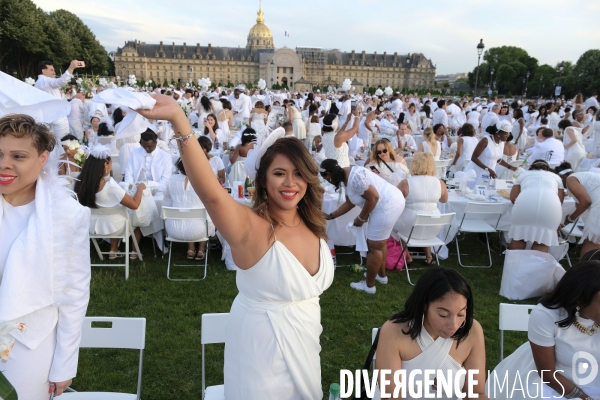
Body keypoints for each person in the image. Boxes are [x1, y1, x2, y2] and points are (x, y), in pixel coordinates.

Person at [136, 94, 334, 399]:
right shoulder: (250, 227)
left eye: (298, 173)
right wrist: (179, 120)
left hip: (308, 346)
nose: (290, 183)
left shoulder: (314, 223)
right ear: (264, 180)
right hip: (262, 354)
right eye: (279, 173)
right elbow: (212, 194)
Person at [0, 114, 91, 399]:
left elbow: (74, 294)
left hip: (29, 344)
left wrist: (64, 363)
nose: (5, 164)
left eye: (18, 156)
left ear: (42, 158)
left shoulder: (66, 215)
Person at [487, 260, 600, 400]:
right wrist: (586, 398)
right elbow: (548, 374)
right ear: (580, 299)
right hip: (553, 384)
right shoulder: (546, 315)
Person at [373, 267, 489, 400]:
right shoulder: (394, 331)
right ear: (424, 305)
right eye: (443, 315)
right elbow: (390, 397)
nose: (454, 325)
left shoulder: (472, 331)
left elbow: (475, 394)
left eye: (461, 314)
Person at [321, 158, 405, 294]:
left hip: (387, 206)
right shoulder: (346, 177)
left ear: (329, 175)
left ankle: (369, 286)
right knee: (380, 243)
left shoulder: (354, 178)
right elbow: (350, 203)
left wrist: (361, 218)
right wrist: (331, 216)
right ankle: (381, 276)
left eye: (326, 179)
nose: (328, 182)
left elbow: (373, 197)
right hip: (391, 202)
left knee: (374, 246)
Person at [75, 144, 146, 258]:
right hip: (114, 227)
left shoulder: (80, 182)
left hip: (91, 226)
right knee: (137, 217)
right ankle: (133, 252)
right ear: (105, 164)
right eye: (111, 163)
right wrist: (140, 189)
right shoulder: (110, 186)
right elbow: (134, 205)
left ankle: (114, 249)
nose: (112, 166)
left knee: (113, 209)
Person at [394, 153, 448, 265]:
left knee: (395, 223)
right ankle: (428, 256)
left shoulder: (406, 183)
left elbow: (395, 201)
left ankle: (407, 256)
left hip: (410, 227)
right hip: (433, 227)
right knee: (425, 218)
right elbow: (444, 200)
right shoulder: (440, 183)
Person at [507, 160, 564, 252]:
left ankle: (514, 264)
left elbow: (513, 198)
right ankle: (536, 265)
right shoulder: (556, 177)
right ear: (548, 169)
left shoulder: (524, 175)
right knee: (542, 241)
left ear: (531, 168)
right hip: (550, 208)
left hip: (524, 205)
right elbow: (560, 200)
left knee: (518, 237)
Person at [164, 158, 215, 260]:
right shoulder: (203, 180)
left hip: (173, 229)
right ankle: (201, 249)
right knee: (207, 214)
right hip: (199, 231)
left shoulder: (171, 179)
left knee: (185, 212)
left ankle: (191, 248)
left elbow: (167, 203)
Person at [556, 163, 600, 257]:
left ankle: (584, 270)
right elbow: (580, 205)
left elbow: (585, 202)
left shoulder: (570, 179)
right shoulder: (583, 177)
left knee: (591, 242)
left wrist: (569, 219)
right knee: (596, 244)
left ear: (562, 176)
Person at [35, 60, 85, 139]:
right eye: (51, 70)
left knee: (51, 143)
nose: (54, 72)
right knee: (64, 142)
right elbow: (61, 81)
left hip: (46, 117)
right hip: (58, 116)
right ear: (43, 71)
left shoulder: (38, 83)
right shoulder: (45, 81)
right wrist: (71, 67)